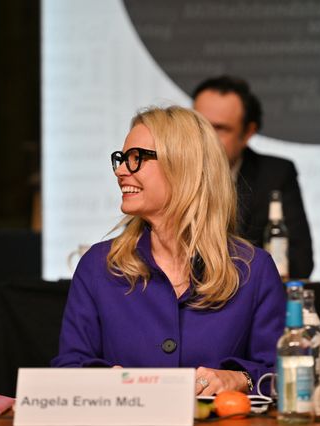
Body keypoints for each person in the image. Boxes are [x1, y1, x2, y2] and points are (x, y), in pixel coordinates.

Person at [52, 106, 286, 396]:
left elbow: (284, 375)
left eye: (136, 158)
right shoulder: (98, 266)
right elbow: (69, 368)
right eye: (121, 160)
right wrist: (101, 380)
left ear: (183, 166)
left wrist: (239, 380)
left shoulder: (253, 269)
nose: (121, 171)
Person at [192, 75, 314, 279]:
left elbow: (299, 262)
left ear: (248, 132)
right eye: (199, 125)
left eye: (220, 128)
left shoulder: (275, 175)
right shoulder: (167, 172)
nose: (207, 138)